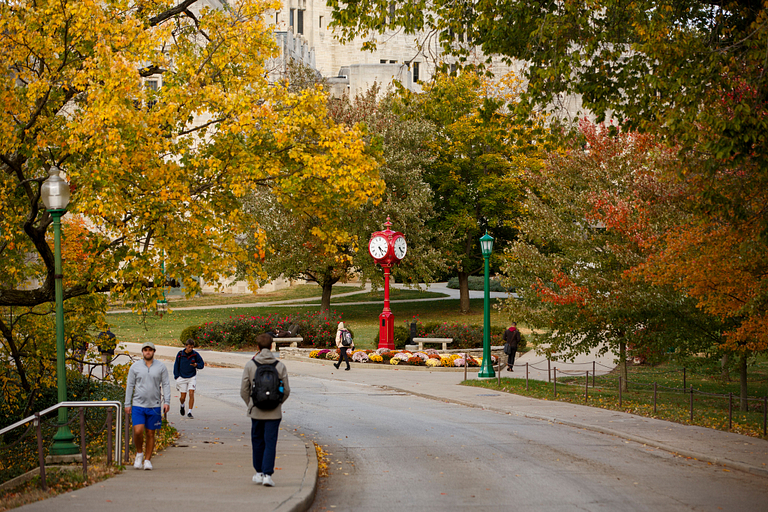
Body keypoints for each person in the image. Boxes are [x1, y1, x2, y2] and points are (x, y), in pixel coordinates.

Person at [240, 333, 290, 487]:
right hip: (274, 412)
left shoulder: (250, 365)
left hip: (256, 410)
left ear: (258, 347)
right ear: (271, 346)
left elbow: (244, 389)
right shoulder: (279, 366)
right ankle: (268, 474)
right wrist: (277, 403)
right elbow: (286, 390)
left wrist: (252, 403)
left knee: (257, 441)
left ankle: (259, 472)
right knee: (270, 442)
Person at [125, 342, 171, 470]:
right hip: (138, 405)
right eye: (145, 350)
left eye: (150, 350)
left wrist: (167, 401)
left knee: (151, 433)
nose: (148, 352)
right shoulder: (135, 367)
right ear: (142, 352)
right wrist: (127, 403)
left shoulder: (160, 367)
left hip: (154, 405)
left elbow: (166, 384)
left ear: (154, 351)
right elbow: (130, 385)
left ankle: (147, 460)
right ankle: (139, 453)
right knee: (138, 431)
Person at [173, 338, 205, 419]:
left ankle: (190, 411)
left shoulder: (195, 354)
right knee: (183, 397)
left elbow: (201, 364)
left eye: (192, 347)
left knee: (191, 393)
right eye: (189, 347)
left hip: (192, 376)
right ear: (186, 346)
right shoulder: (180, 354)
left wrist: (196, 365)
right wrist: (176, 376)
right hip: (182, 377)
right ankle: (182, 405)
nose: (190, 349)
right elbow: (176, 365)